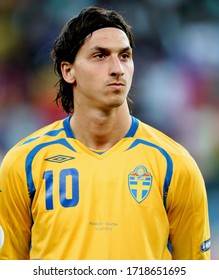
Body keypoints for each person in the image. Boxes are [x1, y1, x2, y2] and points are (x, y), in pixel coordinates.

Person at [0, 6, 211, 260]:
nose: (117, 68)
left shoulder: (175, 164)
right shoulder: (23, 163)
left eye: (124, 56)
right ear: (68, 71)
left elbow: (195, 271)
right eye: (100, 56)